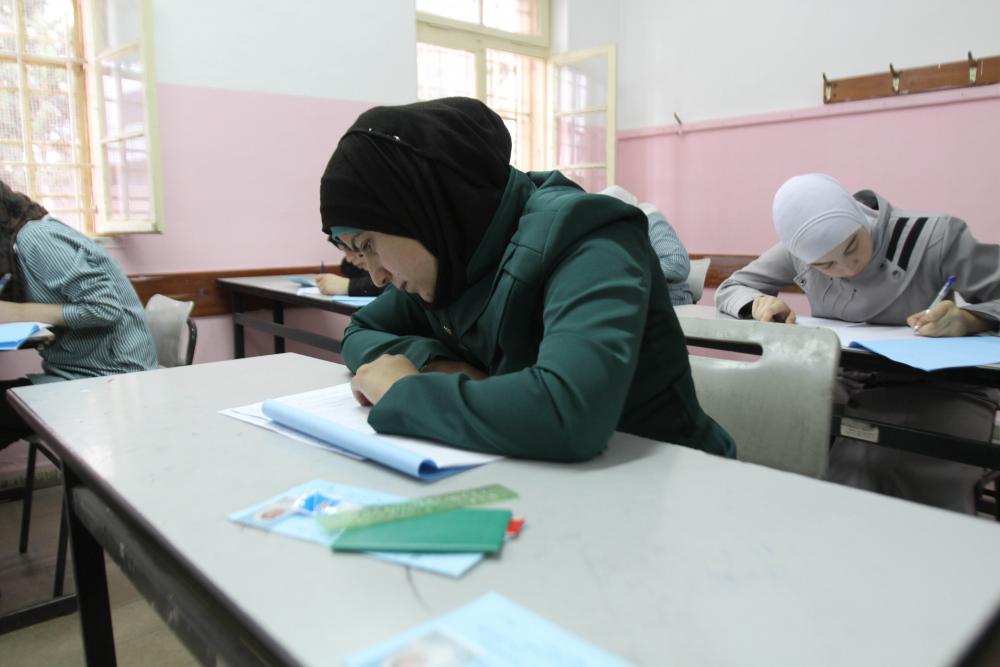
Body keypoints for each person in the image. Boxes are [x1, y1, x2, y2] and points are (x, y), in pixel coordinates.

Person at [319, 97, 735, 462]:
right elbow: (360, 330)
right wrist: (436, 363)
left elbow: (570, 412)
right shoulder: (449, 260)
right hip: (555, 482)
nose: (376, 275)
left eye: (368, 244)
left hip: (679, 481)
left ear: (418, 210)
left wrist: (405, 392)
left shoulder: (589, 234)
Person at [716, 173, 1000, 512]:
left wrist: (971, 318)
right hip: (845, 374)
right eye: (825, 265)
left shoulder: (935, 237)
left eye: (852, 247)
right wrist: (757, 303)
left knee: (878, 464)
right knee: (774, 429)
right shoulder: (798, 250)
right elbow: (733, 287)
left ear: (859, 216)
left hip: (942, 385)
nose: (847, 268)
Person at [0, 181, 157, 447]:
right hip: (71, 376)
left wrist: (18, 312)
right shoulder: (17, 247)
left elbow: (104, 308)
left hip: (111, 380)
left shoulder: (36, 238)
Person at [600, 185, 694, 305]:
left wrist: (627, 271)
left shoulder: (650, 220)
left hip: (669, 299)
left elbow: (676, 264)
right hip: (633, 299)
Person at [315, 243, 384, 297]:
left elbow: (387, 286)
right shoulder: (350, 267)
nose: (349, 259)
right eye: (344, 251)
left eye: (350, 248)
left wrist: (348, 286)